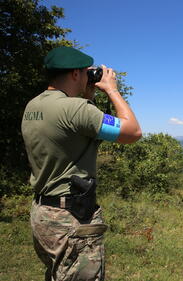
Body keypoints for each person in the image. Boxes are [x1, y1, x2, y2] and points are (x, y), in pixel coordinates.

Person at [21, 46, 142, 281]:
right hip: (72, 218)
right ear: (76, 74)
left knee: (59, 274)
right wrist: (112, 91)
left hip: (44, 214)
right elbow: (133, 132)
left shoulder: (33, 106)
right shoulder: (75, 108)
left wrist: (86, 95)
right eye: (88, 73)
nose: (91, 77)